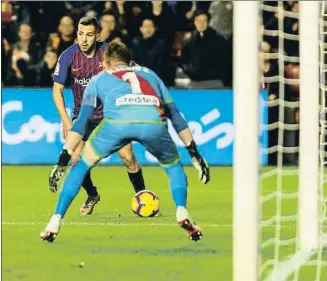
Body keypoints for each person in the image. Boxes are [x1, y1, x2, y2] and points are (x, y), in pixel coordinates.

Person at [40, 41, 210, 243]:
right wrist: (194, 153)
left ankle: (55, 220)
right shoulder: (150, 74)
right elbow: (175, 115)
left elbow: (81, 123)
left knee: (81, 166)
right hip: (152, 122)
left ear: (107, 61)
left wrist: (63, 158)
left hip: (116, 124)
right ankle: (181, 211)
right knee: (174, 167)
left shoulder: (99, 79)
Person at [51, 17, 146, 216]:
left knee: (128, 157)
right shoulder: (68, 56)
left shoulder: (110, 52)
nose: (84, 39)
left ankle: (142, 198)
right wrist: (66, 121)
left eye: (89, 34)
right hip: (83, 116)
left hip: (111, 115)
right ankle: (92, 194)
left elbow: (135, 74)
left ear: (97, 36)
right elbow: (57, 90)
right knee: (76, 159)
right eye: (80, 34)